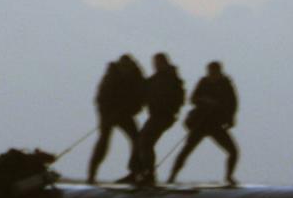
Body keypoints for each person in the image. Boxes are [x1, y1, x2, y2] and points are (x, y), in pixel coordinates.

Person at [169, 61, 239, 186]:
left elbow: (232, 104)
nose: (212, 74)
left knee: (233, 151)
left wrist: (230, 118)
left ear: (219, 71)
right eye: (210, 72)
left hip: (216, 124)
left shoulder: (226, 84)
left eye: (214, 72)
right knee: (186, 151)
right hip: (201, 124)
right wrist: (206, 101)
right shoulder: (203, 82)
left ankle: (229, 176)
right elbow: (193, 99)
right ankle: (172, 176)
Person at [87, 54, 145, 184]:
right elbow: (101, 98)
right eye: (124, 66)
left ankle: (135, 172)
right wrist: (108, 114)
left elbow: (140, 98)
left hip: (125, 114)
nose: (126, 69)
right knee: (104, 141)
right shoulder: (111, 76)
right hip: (108, 113)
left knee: (137, 139)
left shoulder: (137, 76)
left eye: (128, 66)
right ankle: (91, 174)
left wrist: (129, 110)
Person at [135, 52, 185, 185]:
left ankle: (148, 173)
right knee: (143, 141)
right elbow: (143, 91)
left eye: (158, 63)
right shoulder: (156, 79)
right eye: (155, 63)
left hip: (164, 116)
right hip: (156, 115)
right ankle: (143, 172)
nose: (156, 66)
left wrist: (168, 109)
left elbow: (178, 98)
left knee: (145, 142)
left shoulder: (170, 78)